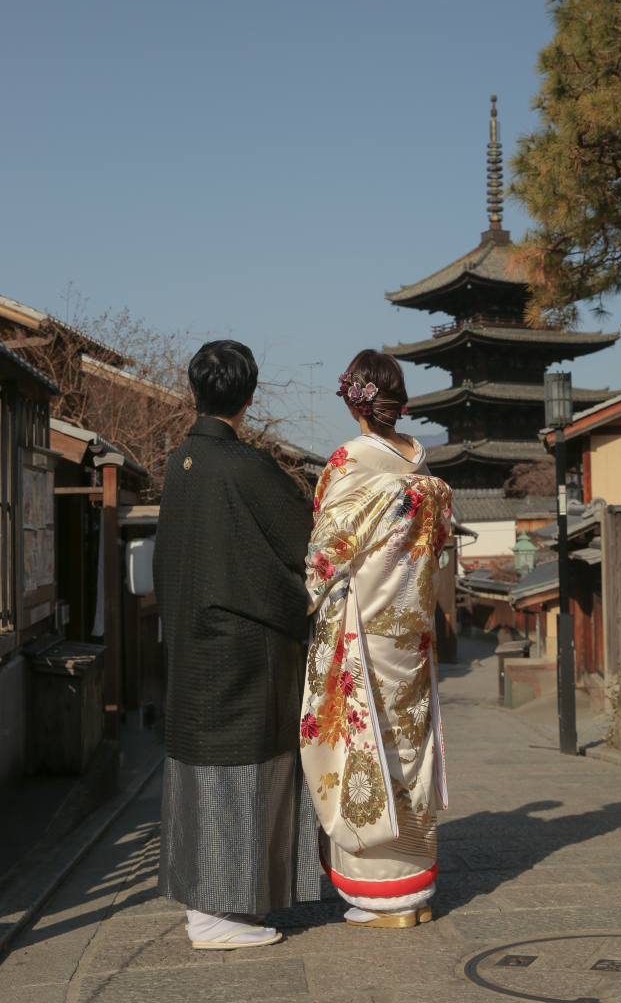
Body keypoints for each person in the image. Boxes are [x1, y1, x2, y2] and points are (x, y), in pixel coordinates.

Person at [153, 339, 318, 950]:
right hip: (244, 644)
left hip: (193, 639)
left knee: (202, 770)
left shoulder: (179, 463)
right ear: (249, 398)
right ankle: (219, 913)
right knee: (242, 772)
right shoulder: (246, 466)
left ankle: (205, 901)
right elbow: (303, 541)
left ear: (195, 392)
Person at [300, 349, 451, 929]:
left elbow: (322, 557)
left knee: (361, 749)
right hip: (410, 635)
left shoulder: (350, 460)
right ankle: (416, 888)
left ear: (354, 401)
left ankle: (380, 896)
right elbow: (431, 553)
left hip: (363, 631)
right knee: (409, 752)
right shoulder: (422, 463)